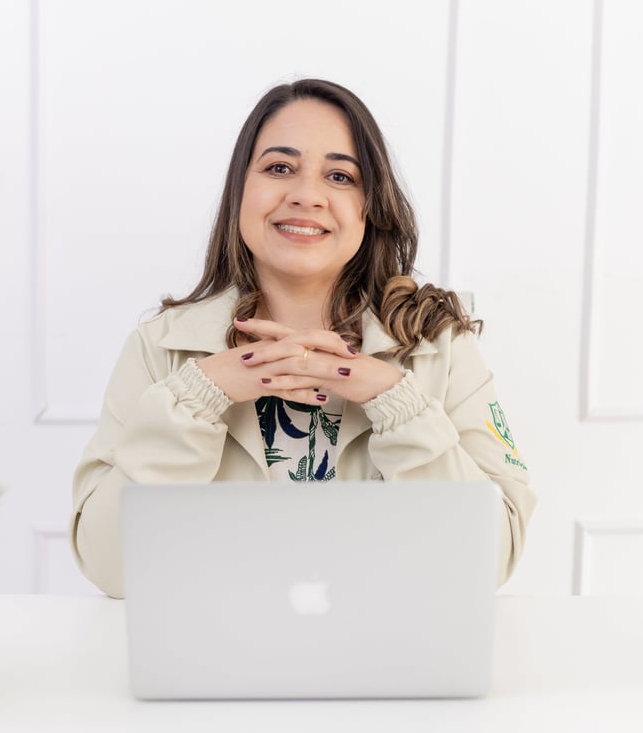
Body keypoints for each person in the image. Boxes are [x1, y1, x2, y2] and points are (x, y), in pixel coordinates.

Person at [70, 78, 536, 598]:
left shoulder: (439, 345)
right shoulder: (161, 348)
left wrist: (396, 401)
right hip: (217, 665)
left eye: (340, 175)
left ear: (370, 205)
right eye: (278, 168)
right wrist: (197, 397)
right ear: (240, 192)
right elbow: (110, 567)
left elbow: (489, 561)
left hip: (389, 665)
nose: (306, 195)